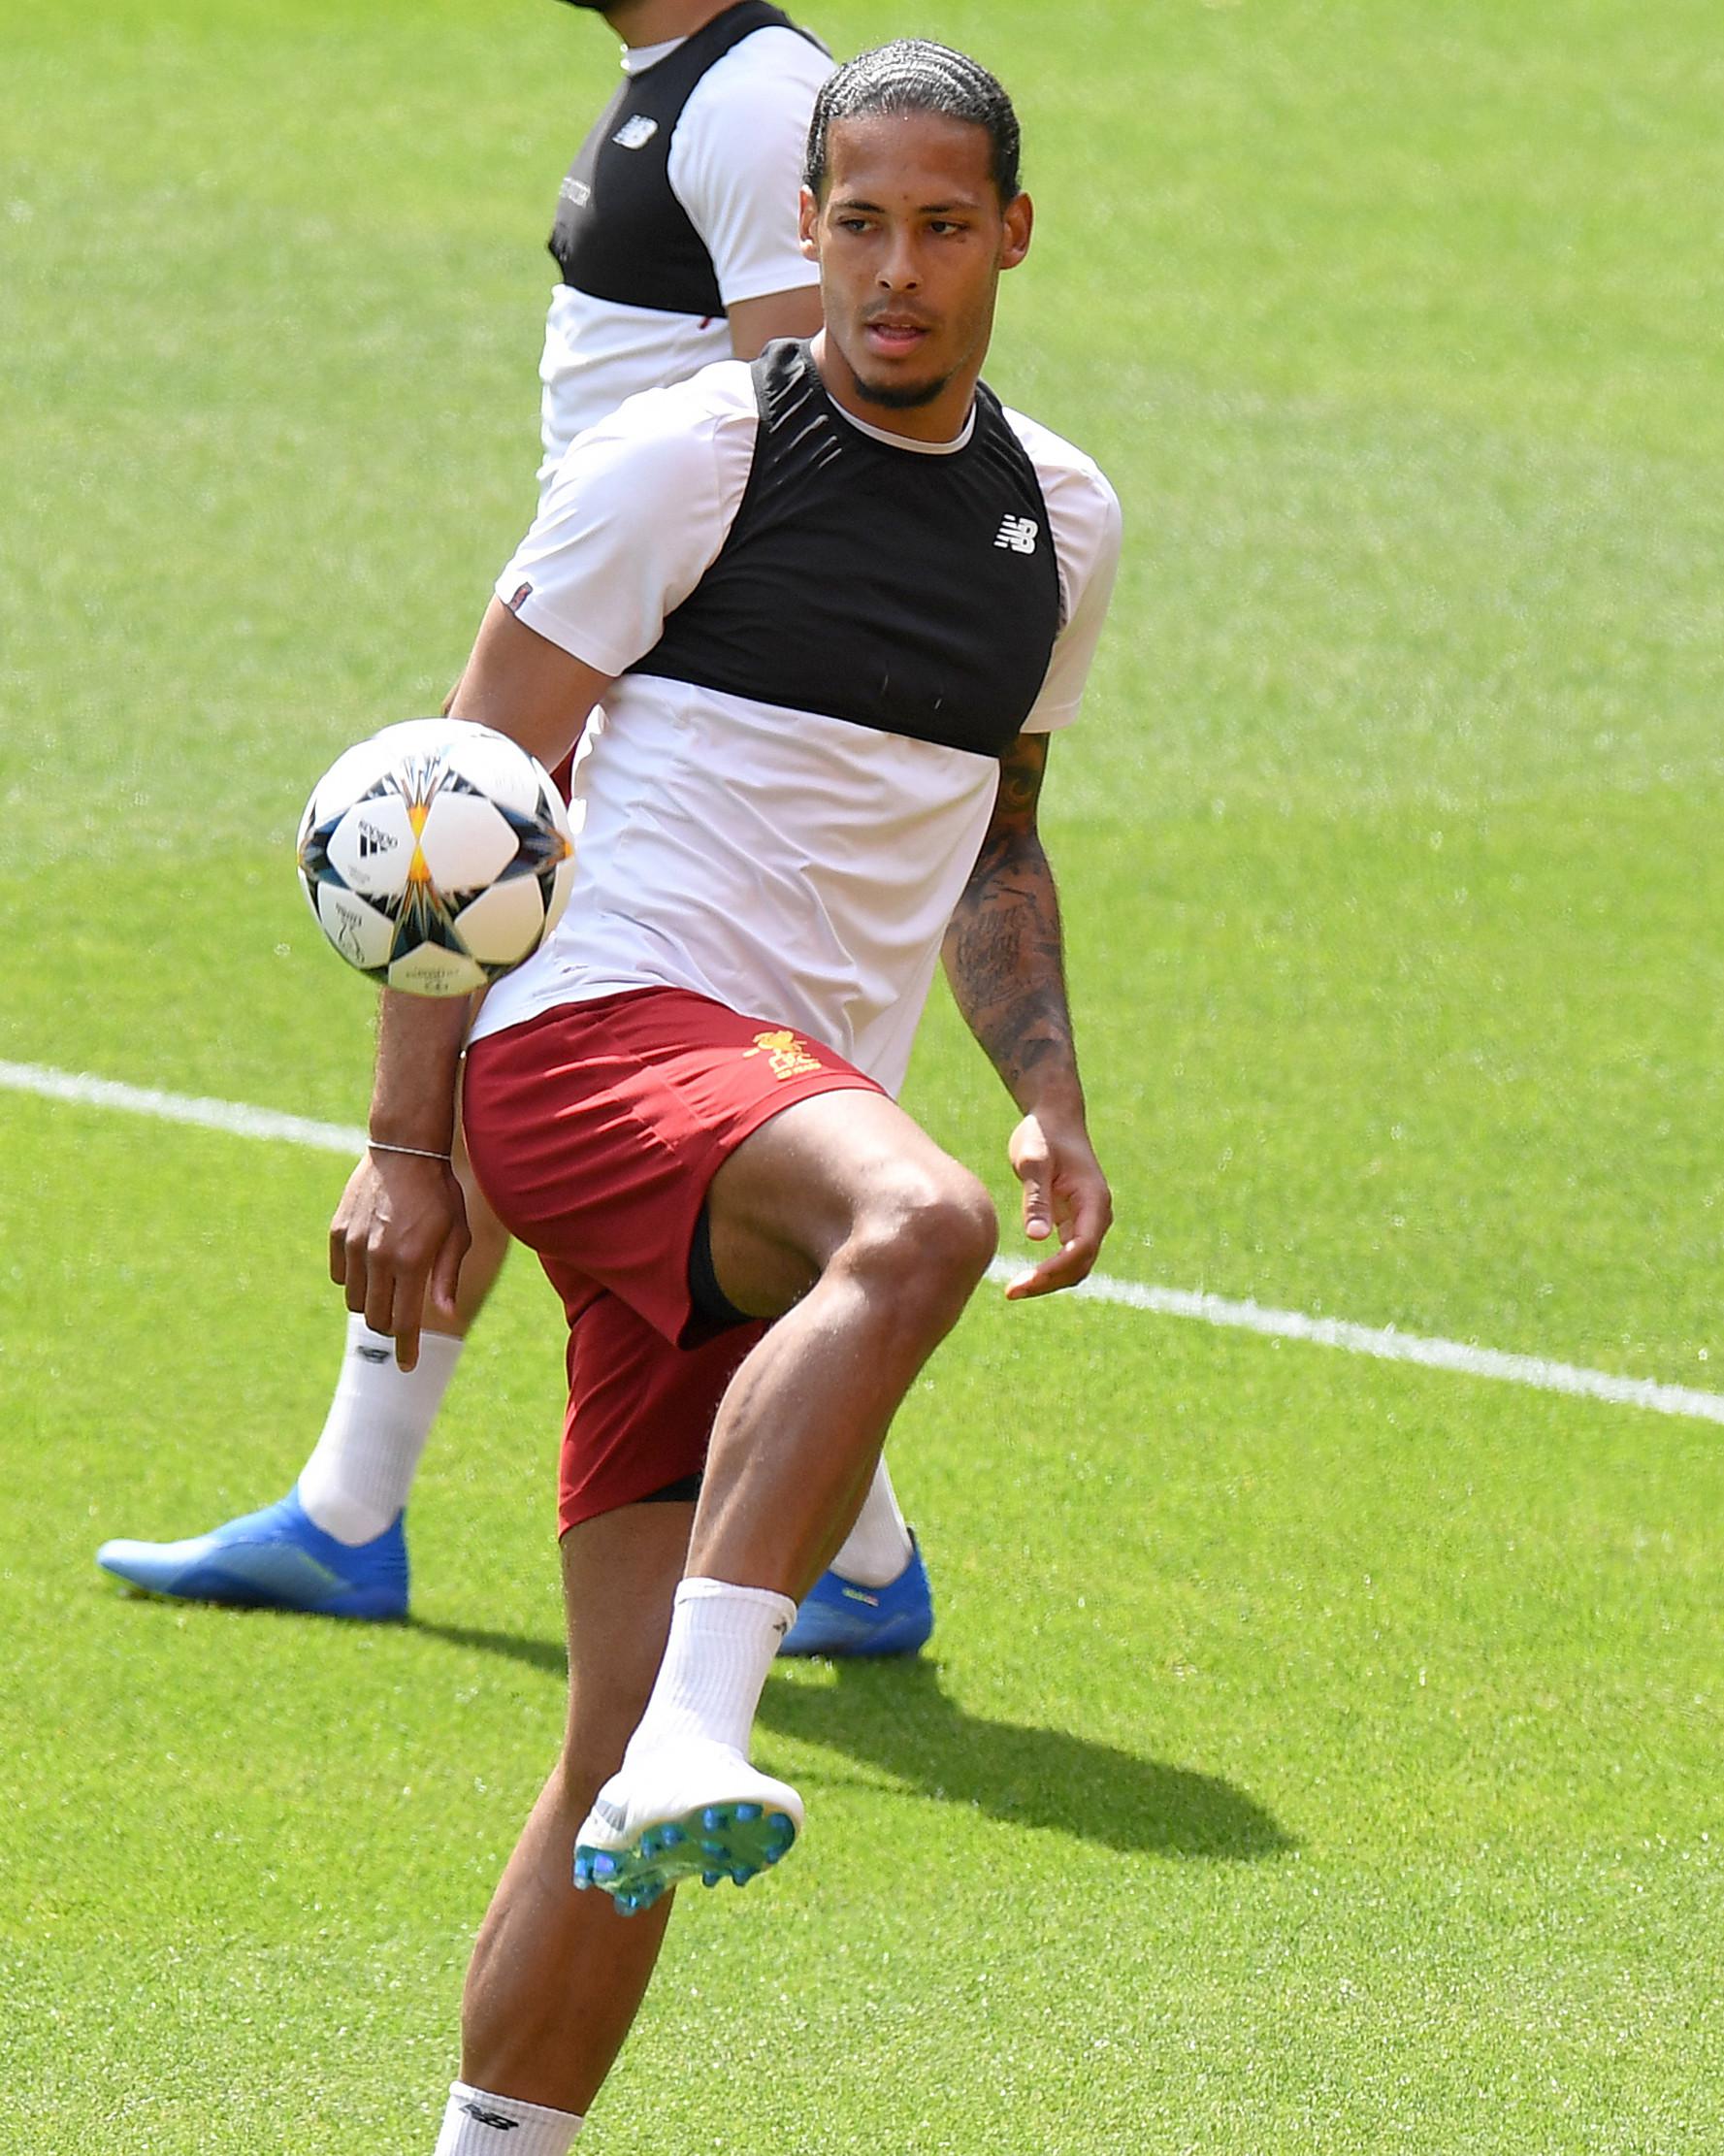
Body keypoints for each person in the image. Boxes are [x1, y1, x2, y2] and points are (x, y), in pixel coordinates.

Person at [343, 41, 1122, 2149]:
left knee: (611, 1778)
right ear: (806, 228)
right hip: (597, 1043)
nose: (895, 270)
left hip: (761, 1142)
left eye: (940, 227)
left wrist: (1048, 1090)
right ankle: (715, 1721)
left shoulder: (1058, 521)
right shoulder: (690, 455)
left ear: (1010, 236)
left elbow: (997, 834)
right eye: (856, 223)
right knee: (918, 1221)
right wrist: (406, 1144)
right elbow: (463, 792)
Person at [95, 0, 935, 1655]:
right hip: (610, 647)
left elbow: (813, 432)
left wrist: (630, 693)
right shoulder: (673, 87)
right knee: (533, 1067)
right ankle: (836, 1553)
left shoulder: (754, 98)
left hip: (672, 695)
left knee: (542, 1068)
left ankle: (379, 1514)